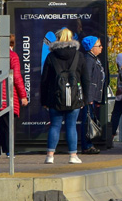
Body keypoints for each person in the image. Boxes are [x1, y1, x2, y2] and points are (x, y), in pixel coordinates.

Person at [39, 27, 90, 164]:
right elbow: (85, 79)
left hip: (55, 97)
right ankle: (73, 156)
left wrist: (44, 100)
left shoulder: (51, 56)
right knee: (71, 126)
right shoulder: (79, 56)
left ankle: (50, 156)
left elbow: (44, 81)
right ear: (72, 38)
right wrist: (86, 98)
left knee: (55, 126)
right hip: (74, 97)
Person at [0, 35, 28, 155]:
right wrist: (23, 96)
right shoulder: (13, 56)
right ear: (12, 44)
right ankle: (9, 150)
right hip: (8, 95)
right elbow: (16, 76)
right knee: (7, 124)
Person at [78, 36, 105, 155]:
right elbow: (87, 79)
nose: (101, 47)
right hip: (89, 97)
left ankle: (89, 144)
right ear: (91, 48)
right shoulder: (89, 60)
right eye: (99, 45)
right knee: (87, 121)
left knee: (89, 120)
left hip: (93, 96)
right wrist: (88, 98)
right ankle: (87, 145)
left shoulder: (95, 59)